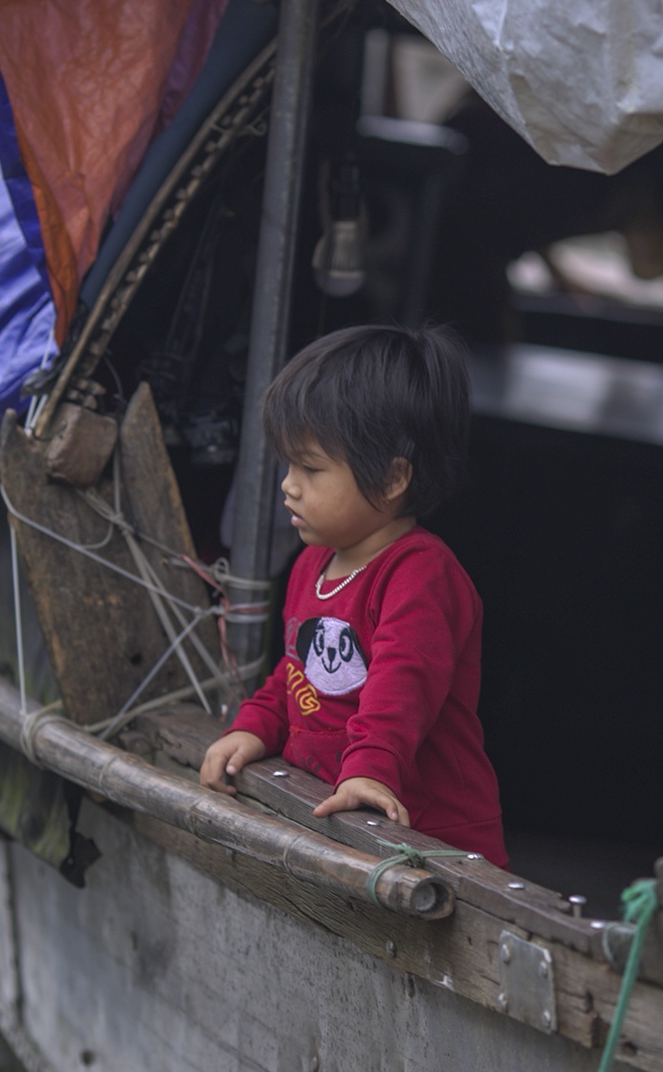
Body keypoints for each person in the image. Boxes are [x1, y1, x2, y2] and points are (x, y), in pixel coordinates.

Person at [199, 324, 506, 866]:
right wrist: (252, 728)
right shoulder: (313, 562)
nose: (288, 485)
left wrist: (369, 770)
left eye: (311, 468)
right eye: (288, 465)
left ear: (391, 479)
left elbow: (401, 689)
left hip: (432, 841)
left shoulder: (420, 573)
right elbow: (295, 675)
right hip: (343, 822)